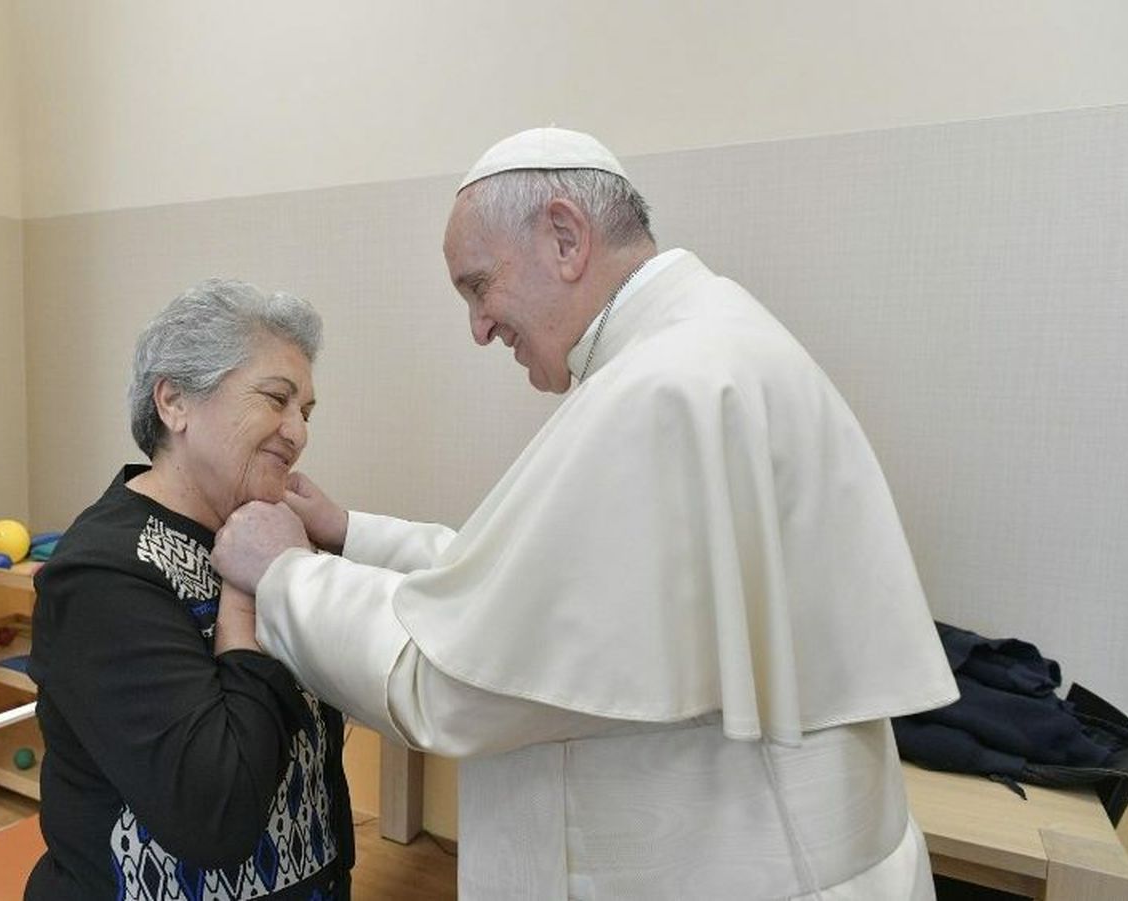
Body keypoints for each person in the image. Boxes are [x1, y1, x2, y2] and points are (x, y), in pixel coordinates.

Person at [212, 128, 958, 899]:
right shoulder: (705, 344)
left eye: (477, 287)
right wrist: (353, 534)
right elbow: (533, 592)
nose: (478, 328)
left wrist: (285, 573)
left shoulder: (663, 389)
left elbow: (453, 683)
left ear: (565, 238)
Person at [25, 279, 354, 900]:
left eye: (306, 412)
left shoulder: (262, 534)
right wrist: (243, 604)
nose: (298, 431)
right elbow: (215, 814)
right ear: (174, 402)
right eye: (276, 399)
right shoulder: (103, 574)